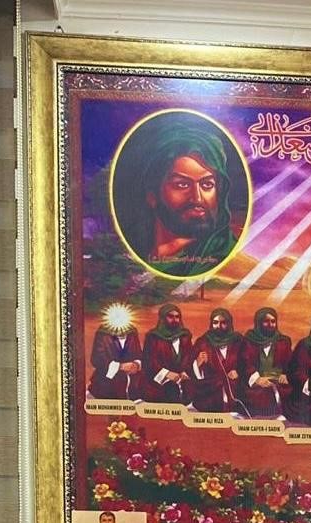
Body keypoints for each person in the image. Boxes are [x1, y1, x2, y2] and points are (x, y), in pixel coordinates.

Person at [113, 112, 241, 278]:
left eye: (207, 185)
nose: (197, 198)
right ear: (152, 194)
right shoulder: (126, 254)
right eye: (182, 184)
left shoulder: (225, 256)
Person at [238, 307, 292, 418]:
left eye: (273, 321)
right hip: (256, 383)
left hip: (278, 382)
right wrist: (257, 379)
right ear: (259, 322)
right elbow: (245, 364)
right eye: (266, 321)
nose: (270, 325)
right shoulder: (249, 340)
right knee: (258, 396)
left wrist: (285, 375)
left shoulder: (283, 341)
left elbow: (290, 363)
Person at [190, 308, 244, 413]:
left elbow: (247, 362)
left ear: (229, 323)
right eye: (215, 323)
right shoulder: (203, 341)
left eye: (223, 323)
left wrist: (238, 371)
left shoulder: (238, 340)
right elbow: (189, 366)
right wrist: (197, 363)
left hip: (235, 384)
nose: (218, 326)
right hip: (211, 386)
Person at [141, 304, 193, 404]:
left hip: (182, 383)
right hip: (158, 385)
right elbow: (149, 361)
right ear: (163, 318)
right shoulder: (153, 337)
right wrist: (167, 374)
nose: (174, 320)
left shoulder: (185, 336)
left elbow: (189, 357)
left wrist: (185, 371)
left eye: (177, 317)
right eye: (170, 316)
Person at [88, 317, 142, 400]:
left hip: (131, 385)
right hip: (106, 384)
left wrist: (136, 364)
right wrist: (120, 366)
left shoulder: (132, 332)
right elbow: (96, 359)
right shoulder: (103, 333)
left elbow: (138, 354)